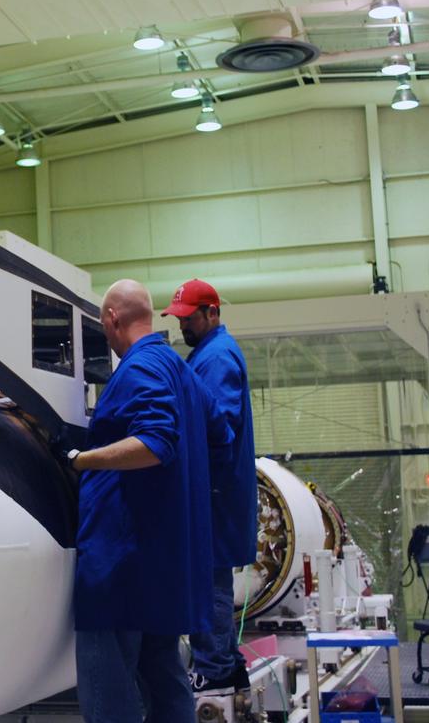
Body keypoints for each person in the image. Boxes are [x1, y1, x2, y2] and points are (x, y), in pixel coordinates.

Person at [69, 279, 213, 723]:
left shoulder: (138, 368)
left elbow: (155, 441)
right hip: (162, 568)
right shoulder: (180, 368)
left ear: (111, 319)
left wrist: (82, 460)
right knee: (167, 688)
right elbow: (218, 432)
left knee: (110, 701)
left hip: (119, 570)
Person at [161, 279, 259, 696]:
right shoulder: (207, 353)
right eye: (179, 318)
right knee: (210, 579)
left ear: (212, 313)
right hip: (215, 491)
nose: (182, 326)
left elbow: (218, 427)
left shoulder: (216, 358)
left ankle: (215, 668)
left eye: (189, 318)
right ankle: (228, 665)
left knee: (210, 582)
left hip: (214, 493)